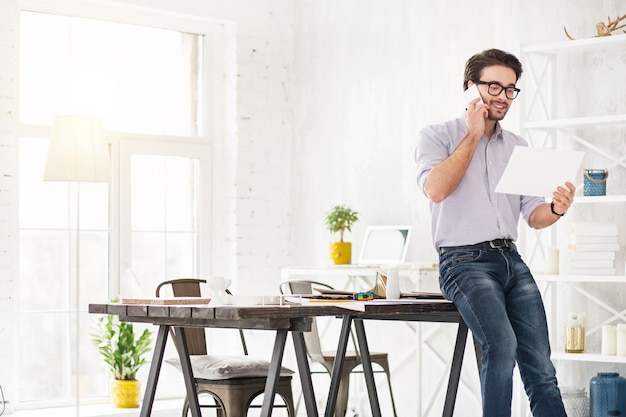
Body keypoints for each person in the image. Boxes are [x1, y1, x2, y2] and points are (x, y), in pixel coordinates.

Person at [414, 48, 574, 417]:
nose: (502, 96)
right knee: (501, 346)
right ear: (470, 87)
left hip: (510, 260)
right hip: (463, 261)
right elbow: (436, 190)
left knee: (541, 366)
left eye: (510, 89)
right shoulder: (436, 136)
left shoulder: (517, 146)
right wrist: (473, 135)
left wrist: (556, 209)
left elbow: (532, 215)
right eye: (493, 87)